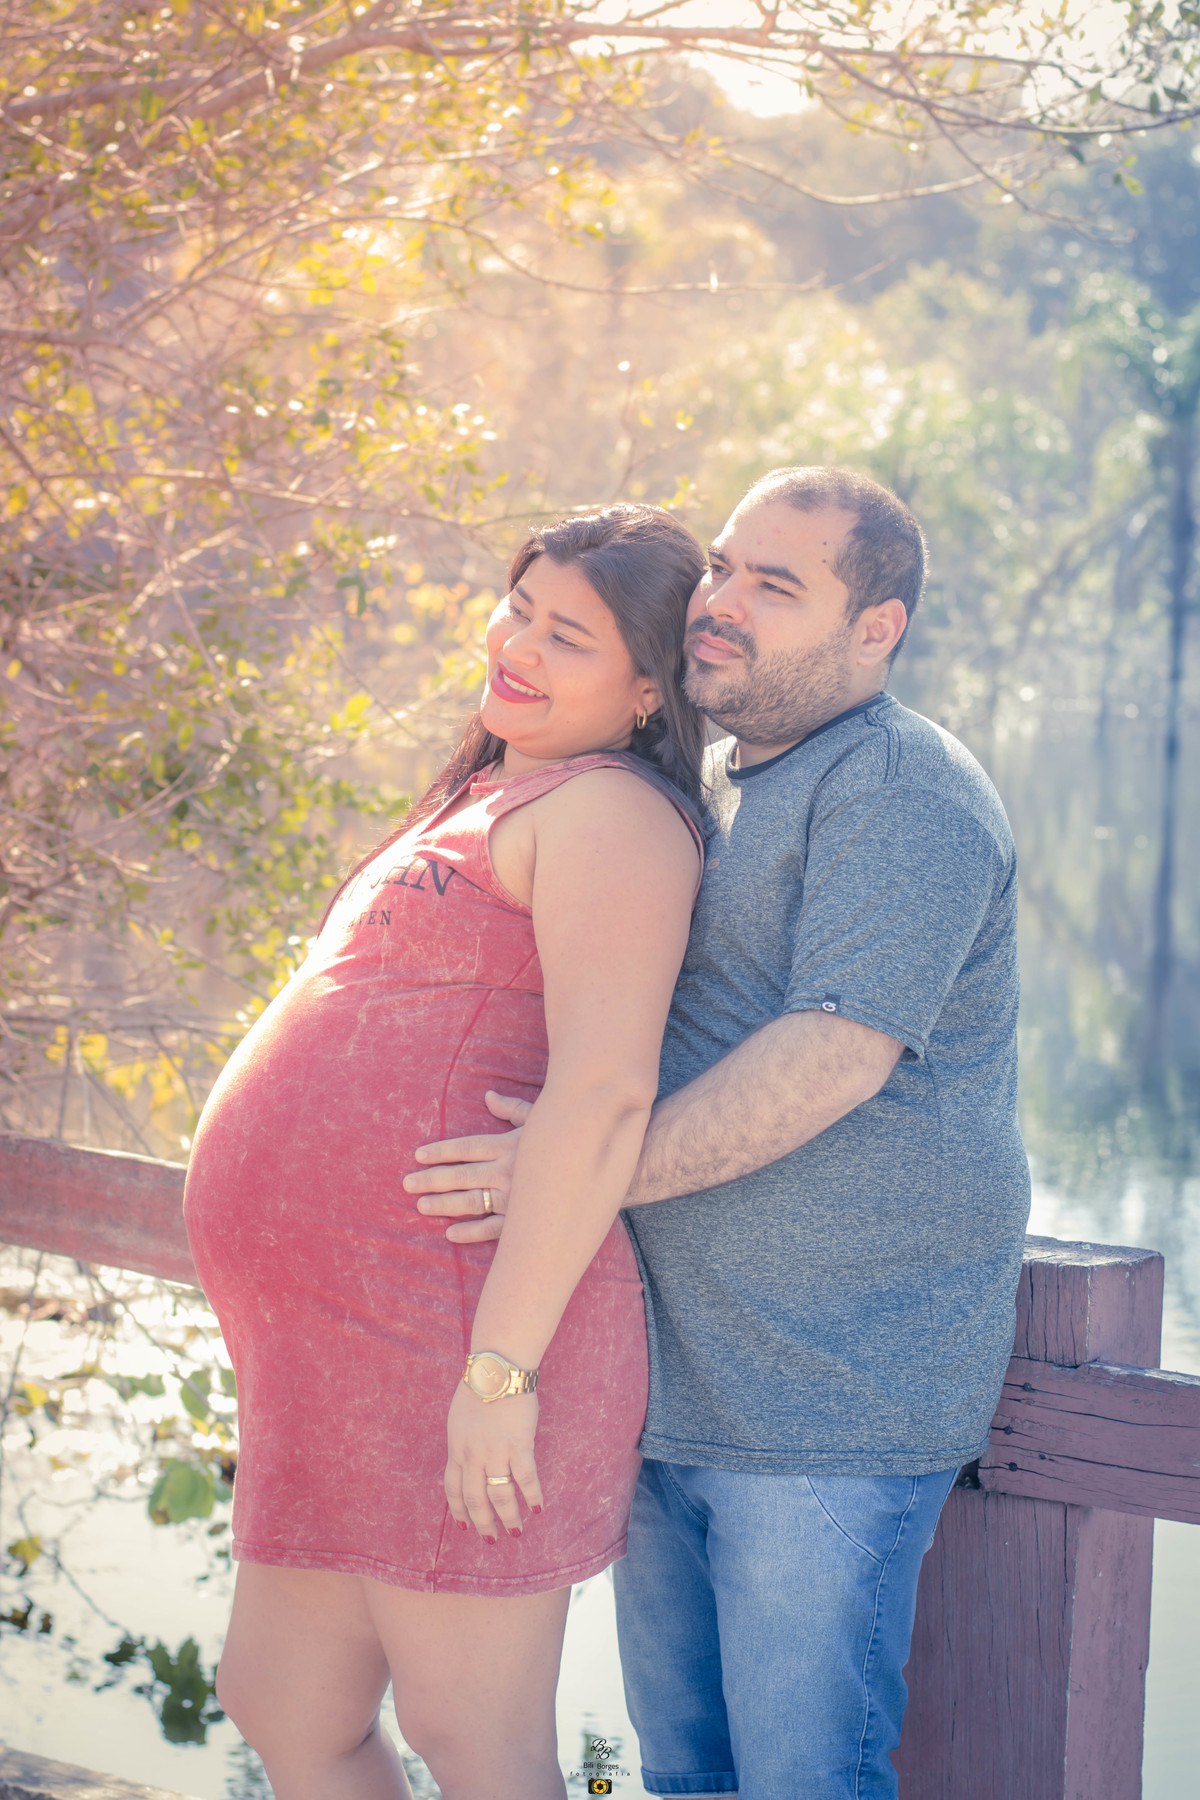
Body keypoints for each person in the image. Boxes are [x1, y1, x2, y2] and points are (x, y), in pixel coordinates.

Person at [406, 466, 1032, 1800]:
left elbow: (831, 1059)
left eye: (777, 585)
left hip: (830, 1407)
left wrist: (561, 1179)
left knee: (804, 1778)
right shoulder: (706, 779)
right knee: (685, 1774)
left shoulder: (902, 787)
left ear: (877, 629)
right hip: (668, 1385)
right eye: (727, 567)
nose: (723, 602)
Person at [182, 505, 708, 1800]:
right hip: (333, 1354)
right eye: (519, 608)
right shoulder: (489, 790)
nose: (518, 645)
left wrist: (500, 1373)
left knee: (475, 1741)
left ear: (648, 690)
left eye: (568, 637)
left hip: (461, 1335)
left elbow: (604, 1093)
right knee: (283, 1701)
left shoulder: (611, 814)